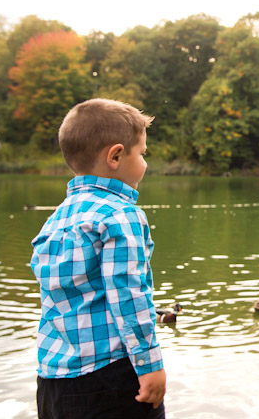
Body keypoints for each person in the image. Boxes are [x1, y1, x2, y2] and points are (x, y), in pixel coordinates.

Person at [31, 98, 166, 419]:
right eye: (142, 154)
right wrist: (150, 365)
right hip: (109, 378)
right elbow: (129, 294)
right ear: (116, 155)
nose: (145, 164)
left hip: (53, 381)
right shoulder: (122, 215)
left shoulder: (57, 218)